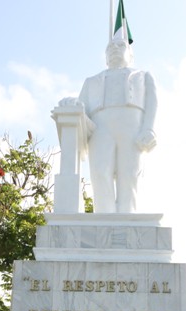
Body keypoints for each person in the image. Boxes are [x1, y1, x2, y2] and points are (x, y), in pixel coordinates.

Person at [64, 37, 157, 213]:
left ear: (131, 54)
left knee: (129, 174)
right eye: (110, 47)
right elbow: (81, 107)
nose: (114, 48)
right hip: (101, 128)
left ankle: (127, 215)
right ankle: (104, 214)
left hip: (132, 127)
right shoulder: (91, 81)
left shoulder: (143, 76)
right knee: (100, 172)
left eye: (121, 45)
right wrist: (70, 103)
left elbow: (152, 103)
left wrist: (149, 128)